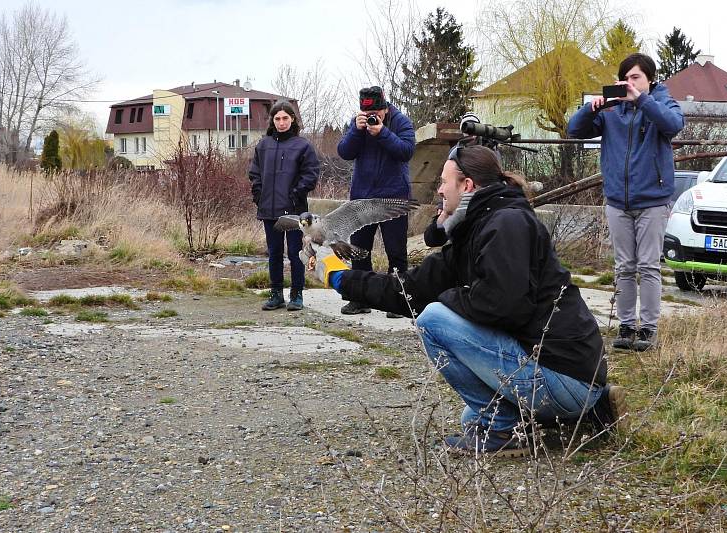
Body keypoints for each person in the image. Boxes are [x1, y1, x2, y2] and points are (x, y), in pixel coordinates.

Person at [302, 145, 627, 456]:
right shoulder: (478, 228)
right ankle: (587, 413)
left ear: (467, 184)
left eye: (444, 182)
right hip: (559, 374)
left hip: (564, 373)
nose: (440, 191)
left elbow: (503, 306)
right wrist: (341, 277)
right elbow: (410, 289)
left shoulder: (507, 224)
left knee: (433, 319)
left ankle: (507, 430)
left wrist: (445, 301)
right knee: (470, 418)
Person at [568, 53, 685, 352]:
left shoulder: (660, 102)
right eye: (626, 78)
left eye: (636, 78)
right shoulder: (612, 109)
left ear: (650, 80)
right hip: (618, 200)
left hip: (652, 200)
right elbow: (575, 130)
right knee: (623, 266)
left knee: (648, 266)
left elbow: (673, 124)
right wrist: (591, 108)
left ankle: (647, 329)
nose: (630, 83)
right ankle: (625, 324)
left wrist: (641, 101)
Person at [336, 86, 415, 316]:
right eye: (369, 114)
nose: (373, 118)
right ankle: (360, 299)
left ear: (385, 108)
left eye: (377, 114)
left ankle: (398, 301)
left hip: (393, 197)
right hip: (363, 198)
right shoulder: (357, 123)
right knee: (359, 250)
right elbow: (344, 152)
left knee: (396, 251)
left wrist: (382, 132)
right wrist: (357, 131)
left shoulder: (400, 121)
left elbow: (407, 151)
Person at [250, 100, 319, 311]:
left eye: (285, 118)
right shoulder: (263, 145)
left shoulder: (303, 146)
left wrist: (296, 193)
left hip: (295, 211)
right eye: (277, 119)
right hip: (269, 210)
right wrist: (258, 195)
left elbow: (311, 175)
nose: (281, 122)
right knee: (274, 252)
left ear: (292, 120)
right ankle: (276, 293)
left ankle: (297, 294)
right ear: (272, 120)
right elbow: (254, 173)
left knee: (296, 252)